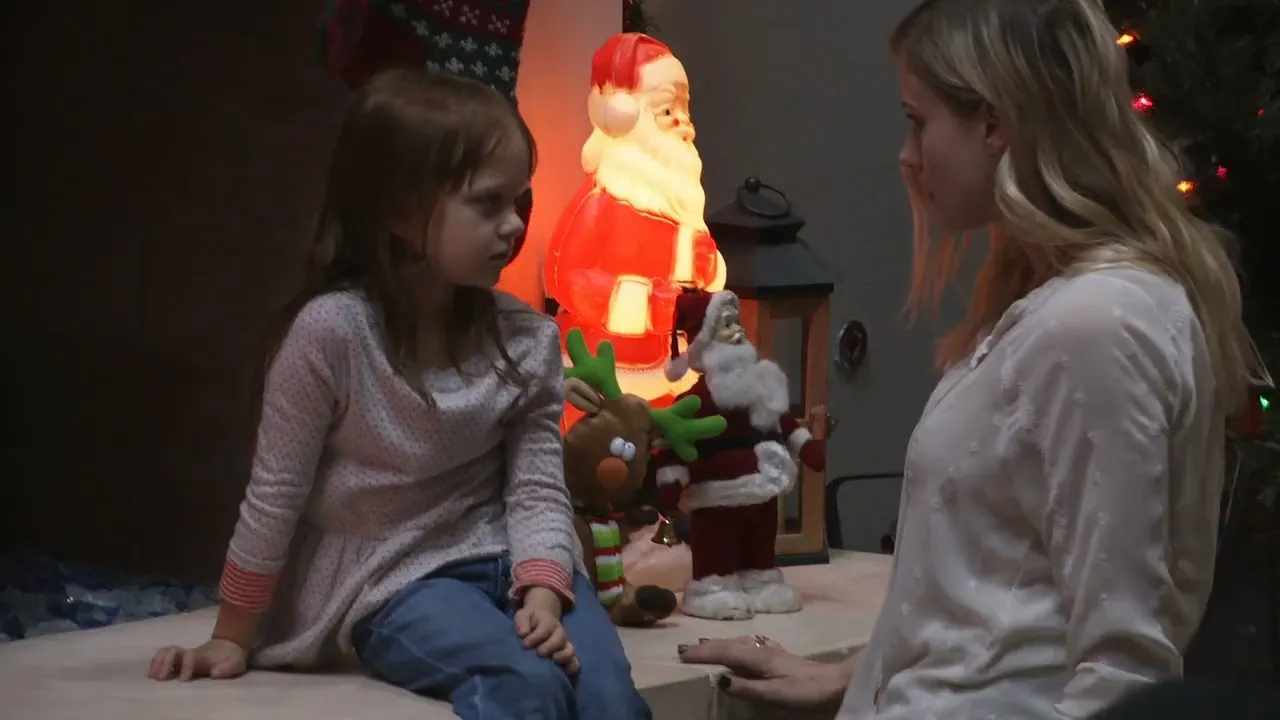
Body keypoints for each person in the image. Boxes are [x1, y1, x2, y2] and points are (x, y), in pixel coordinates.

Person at [678, 0, 1260, 718]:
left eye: (918, 121)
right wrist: (856, 675)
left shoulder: (1096, 324)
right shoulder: (1056, 302)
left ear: (994, 123)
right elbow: (999, 598)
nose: (907, 155)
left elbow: (1123, 668)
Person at [145, 68, 651, 720]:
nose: (513, 226)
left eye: (518, 203)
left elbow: (537, 490)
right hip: (395, 580)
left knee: (609, 698)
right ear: (402, 213)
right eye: (487, 204)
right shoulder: (332, 333)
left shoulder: (528, 339)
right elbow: (275, 493)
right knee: (526, 683)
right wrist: (231, 635)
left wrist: (545, 594)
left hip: (514, 561)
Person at [543, 32, 726, 407]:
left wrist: (707, 268)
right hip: (608, 369)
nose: (683, 123)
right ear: (622, 113)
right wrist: (646, 304)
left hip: (674, 365)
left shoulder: (680, 203)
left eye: (684, 109)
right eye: (666, 111)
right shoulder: (603, 202)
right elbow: (567, 277)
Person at [652, 289, 826, 620]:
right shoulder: (697, 401)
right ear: (705, 343)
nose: (738, 332)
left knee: (760, 543)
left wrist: (806, 446)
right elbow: (677, 445)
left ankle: (761, 582)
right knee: (716, 546)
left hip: (763, 489)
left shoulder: (762, 389)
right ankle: (712, 588)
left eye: (737, 323)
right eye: (726, 325)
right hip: (717, 496)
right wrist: (671, 479)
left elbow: (784, 423)